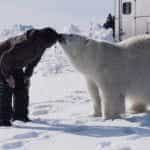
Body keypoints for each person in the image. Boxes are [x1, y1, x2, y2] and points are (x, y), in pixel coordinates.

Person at [0, 27, 58, 126]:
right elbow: (5, 58)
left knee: (22, 87)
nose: (51, 46)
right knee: (7, 88)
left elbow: (34, 60)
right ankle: (3, 119)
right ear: (45, 40)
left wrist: (27, 75)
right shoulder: (25, 44)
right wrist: (7, 77)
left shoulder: (42, 44)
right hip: (2, 61)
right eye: (51, 44)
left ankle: (20, 116)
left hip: (14, 64)